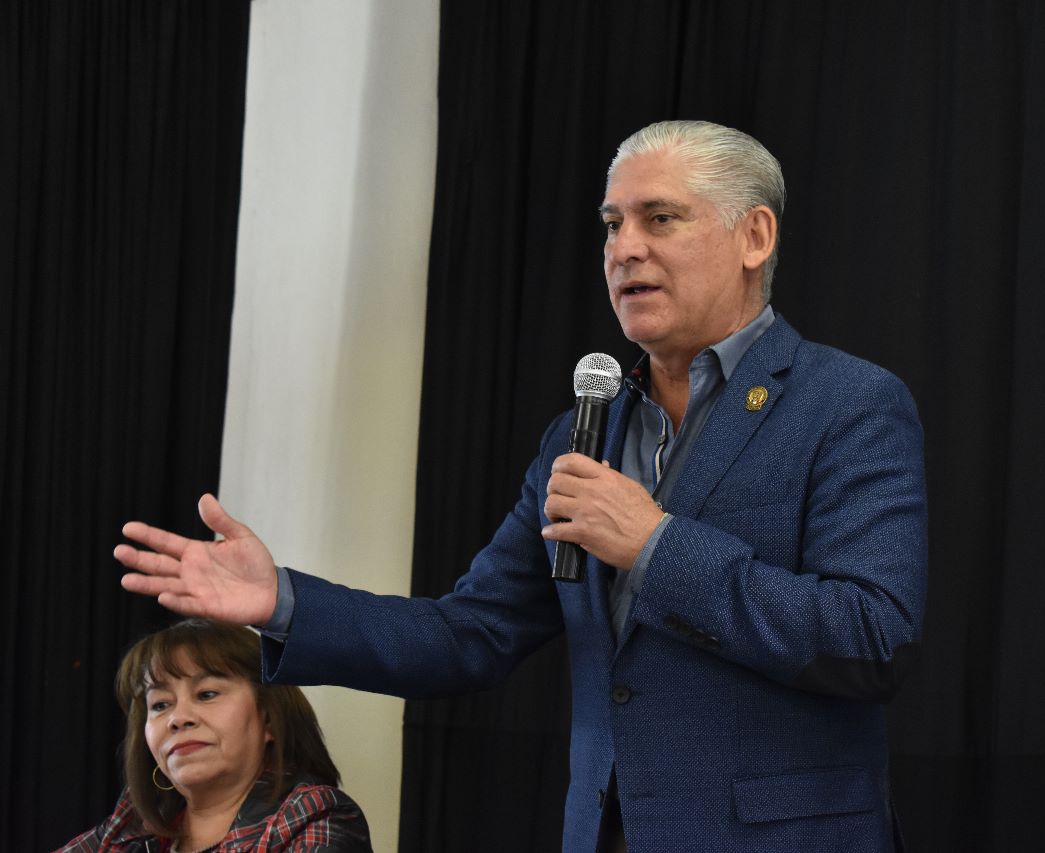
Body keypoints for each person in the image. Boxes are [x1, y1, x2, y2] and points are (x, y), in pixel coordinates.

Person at [114, 120, 928, 852]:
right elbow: (465, 634)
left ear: (754, 236)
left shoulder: (846, 403)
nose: (624, 248)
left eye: (659, 218)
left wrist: (656, 545)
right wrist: (283, 602)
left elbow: (873, 635)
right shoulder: (583, 432)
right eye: (611, 224)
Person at [58, 618, 372, 852]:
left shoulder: (315, 815)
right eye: (161, 704)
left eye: (207, 694)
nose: (178, 719)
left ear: (269, 719)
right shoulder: (131, 827)